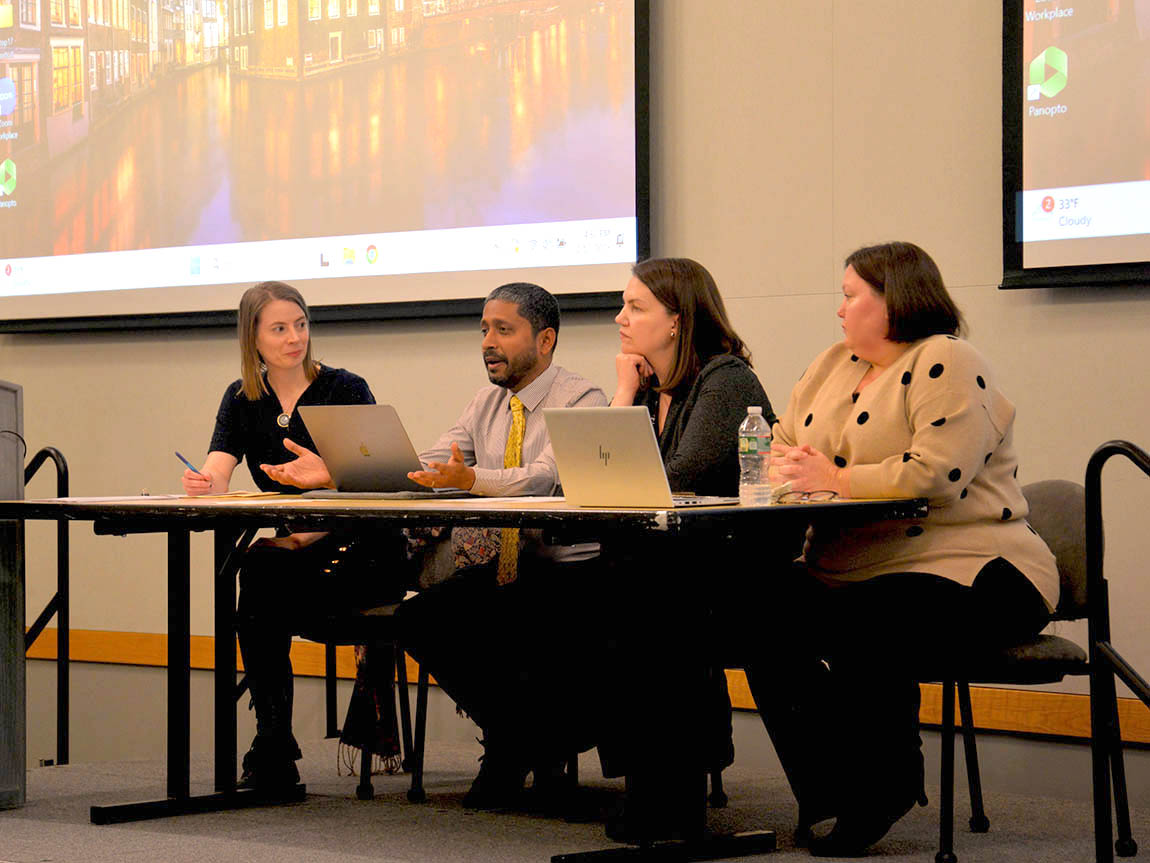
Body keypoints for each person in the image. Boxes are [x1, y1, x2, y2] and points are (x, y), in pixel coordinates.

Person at [747, 242, 1058, 856]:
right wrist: (793, 467)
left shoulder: (946, 359)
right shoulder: (831, 363)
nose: (839, 311)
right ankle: (830, 786)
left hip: (971, 564)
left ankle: (882, 787)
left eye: (850, 295)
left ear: (894, 300)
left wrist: (832, 476)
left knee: (869, 621)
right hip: (851, 564)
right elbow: (776, 448)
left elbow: (937, 475)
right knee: (755, 611)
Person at [262, 282, 608, 809]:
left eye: (504, 330)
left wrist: (468, 480)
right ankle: (514, 740)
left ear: (545, 340)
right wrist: (336, 475)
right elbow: (424, 470)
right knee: (421, 619)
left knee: (515, 618)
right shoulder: (485, 402)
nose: (489, 342)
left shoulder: (582, 398)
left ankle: (522, 748)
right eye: (484, 330)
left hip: (558, 564)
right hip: (495, 566)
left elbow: (544, 478)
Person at [181, 281, 405, 791]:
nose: (294, 337)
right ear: (252, 338)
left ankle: (272, 747)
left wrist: (327, 476)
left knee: (260, 573)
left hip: (363, 552)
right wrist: (202, 483)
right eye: (280, 328)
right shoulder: (242, 398)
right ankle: (274, 739)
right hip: (296, 561)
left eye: (300, 325)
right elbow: (218, 471)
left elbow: (385, 481)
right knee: (261, 572)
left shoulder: (344, 387)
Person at [597, 256, 775, 837]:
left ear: (677, 320)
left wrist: (627, 399)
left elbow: (680, 474)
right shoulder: (654, 390)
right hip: (672, 565)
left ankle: (671, 788)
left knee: (640, 596)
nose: (620, 318)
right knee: (603, 590)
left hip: (737, 567)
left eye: (635, 307)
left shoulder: (724, 379)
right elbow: (601, 476)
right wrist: (626, 390)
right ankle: (654, 783)